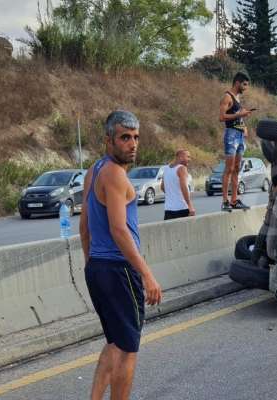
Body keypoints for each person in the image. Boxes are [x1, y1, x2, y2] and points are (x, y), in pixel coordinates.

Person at [79, 110, 162, 400]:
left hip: (100, 269)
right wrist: (146, 273)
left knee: (114, 342)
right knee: (127, 350)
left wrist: (92, 264)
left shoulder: (95, 169)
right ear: (108, 140)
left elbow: (84, 227)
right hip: (119, 270)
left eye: (136, 137)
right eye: (125, 137)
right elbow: (119, 230)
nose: (132, 144)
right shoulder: (114, 173)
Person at [219, 72, 253, 212]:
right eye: (244, 84)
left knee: (237, 168)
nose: (246, 88)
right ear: (237, 83)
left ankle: (234, 200)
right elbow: (222, 117)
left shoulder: (238, 98)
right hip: (231, 135)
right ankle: (225, 201)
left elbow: (238, 117)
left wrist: (244, 126)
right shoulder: (227, 96)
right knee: (229, 168)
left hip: (239, 135)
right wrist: (240, 114)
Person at [161, 150, 195, 220]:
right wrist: (190, 206)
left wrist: (172, 194)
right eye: (188, 157)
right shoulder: (182, 168)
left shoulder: (166, 169)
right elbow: (184, 188)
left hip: (168, 210)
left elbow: (162, 187)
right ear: (181, 157)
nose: (189, 159)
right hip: (182, 208)